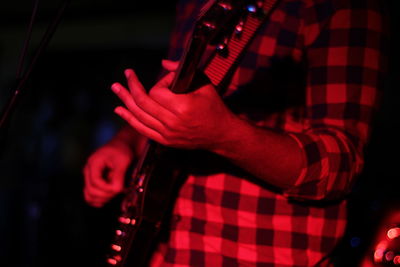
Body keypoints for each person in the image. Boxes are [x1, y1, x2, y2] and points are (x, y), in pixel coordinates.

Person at [83, 0, 388, 265]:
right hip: (163, 251)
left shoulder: (340, 6)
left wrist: (226, 135)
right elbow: (178, 103)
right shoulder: (195, 4)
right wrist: (126, 142)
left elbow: (341, 166)